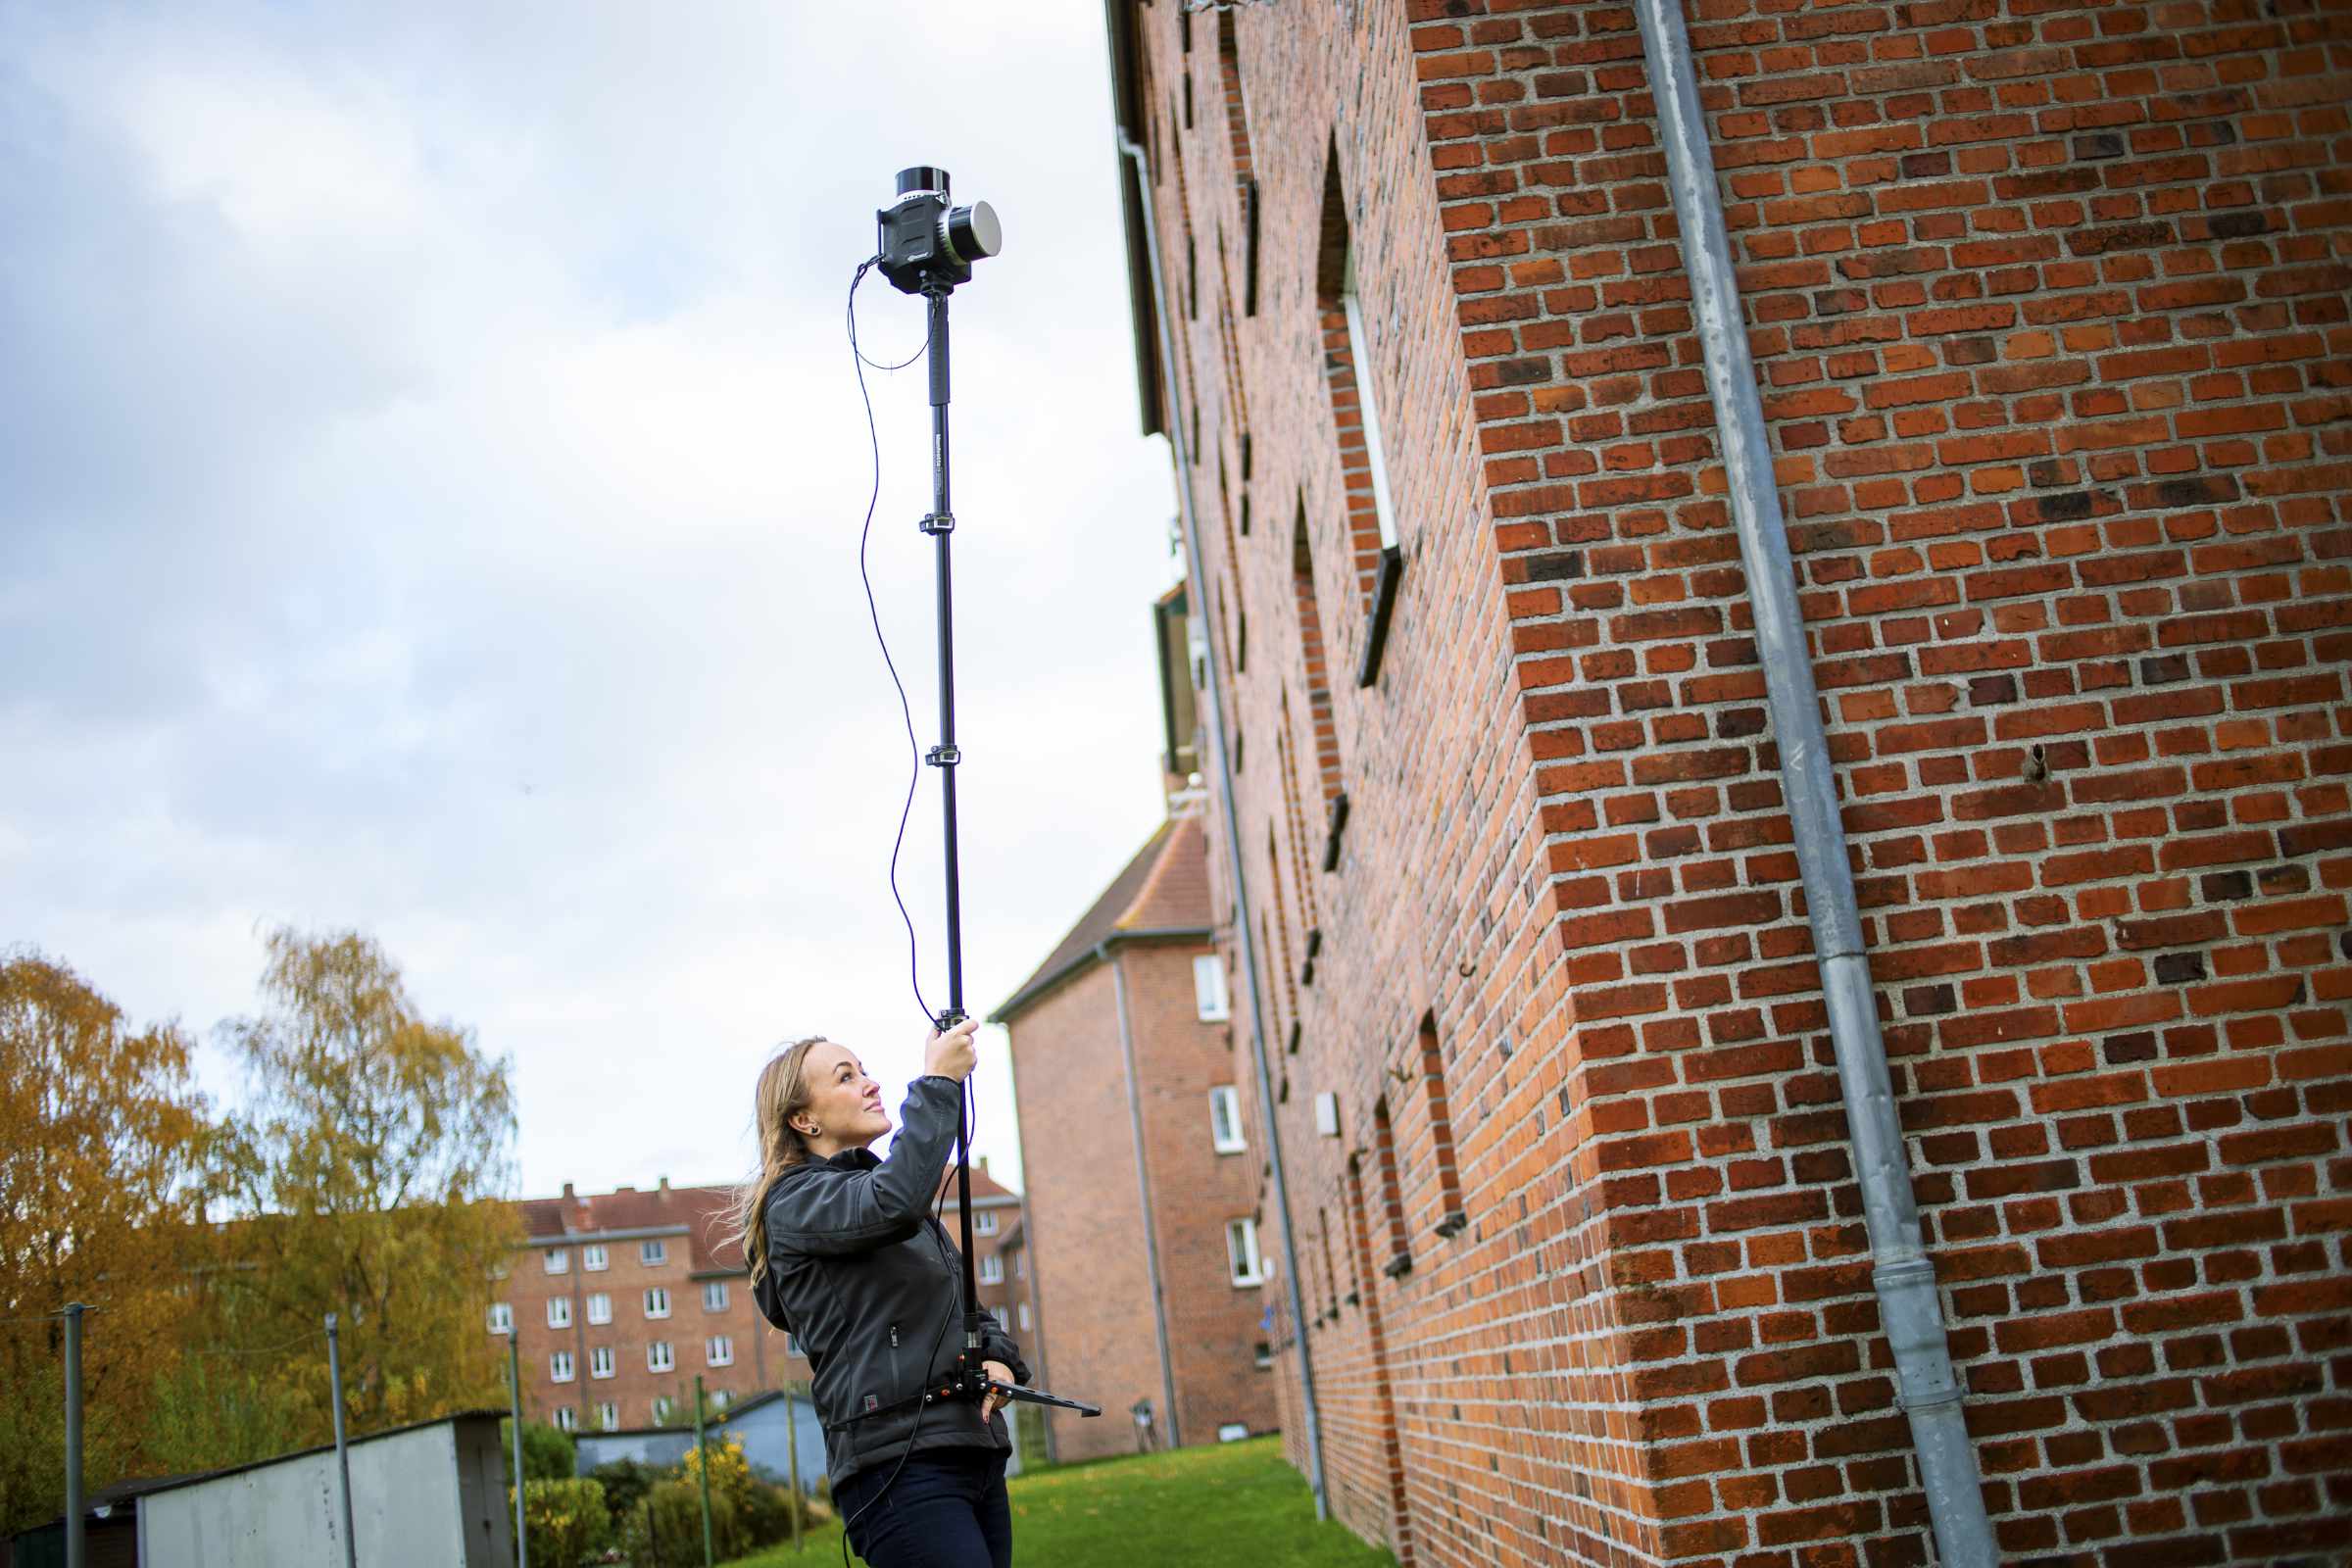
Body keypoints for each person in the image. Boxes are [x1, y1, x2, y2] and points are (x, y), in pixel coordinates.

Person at [725, 1018, 1026, 1568]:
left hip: (971, 1452)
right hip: (899, 1468)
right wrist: (938, 1083)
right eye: (846, 1076)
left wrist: (1001, 1362)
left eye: (864, 1070)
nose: (869, 1082)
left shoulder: (891, 1205)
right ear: (803, 1119)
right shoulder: (796, 1205)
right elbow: (895, 1201)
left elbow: (969, 1311)